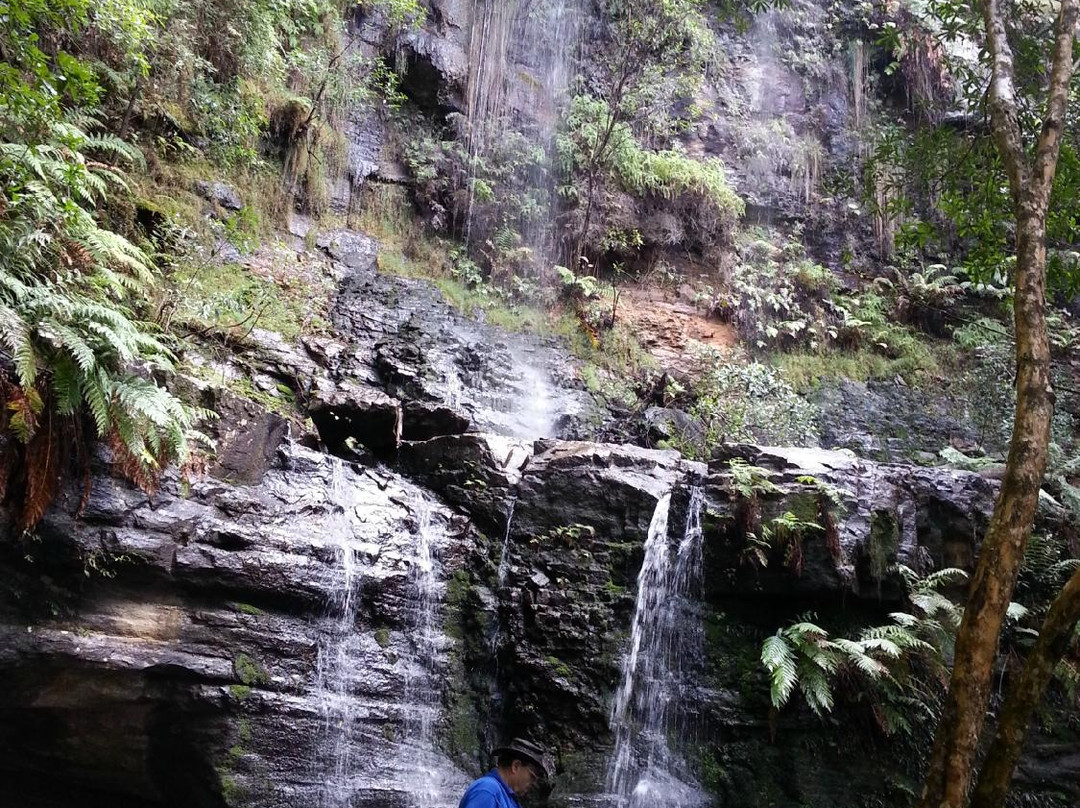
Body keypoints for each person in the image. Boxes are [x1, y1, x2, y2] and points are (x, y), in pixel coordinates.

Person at [458, 738, 554, 808]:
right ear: (516, 766)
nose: (533, 783)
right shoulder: (488, 790)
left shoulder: (509, 799)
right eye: (532, 776)